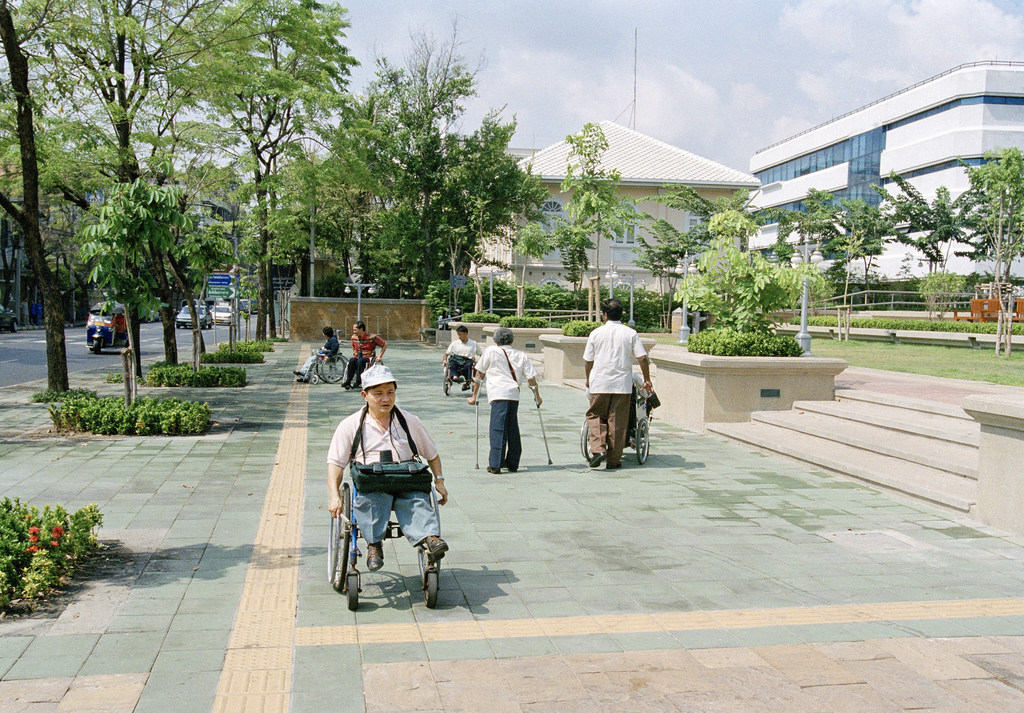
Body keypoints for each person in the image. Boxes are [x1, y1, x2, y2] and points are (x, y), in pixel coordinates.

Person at [327, 364, 449, 572]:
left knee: (417, 501)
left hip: (405, 479)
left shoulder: (409, 421)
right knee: (372, 501)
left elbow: (432, 455)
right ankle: (374, 545)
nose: (386, 399)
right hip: (372, 483)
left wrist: (439, 480)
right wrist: (334, 495)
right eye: (379, 394)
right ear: (365, 395)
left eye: (390, 392)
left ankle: (430, 538)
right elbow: (336, 463)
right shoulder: (350, 425)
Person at [583, 298, 652, 470]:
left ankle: (598, 449)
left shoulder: (596, 333)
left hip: (599, 382)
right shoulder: (631, 333)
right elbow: (643, 358)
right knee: (617, 421)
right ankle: (613, 461)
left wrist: (588, 378)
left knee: (595, 415)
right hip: (622, 385)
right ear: (621, 314)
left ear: (604, 315)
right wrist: (647, 379)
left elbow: (588, 361)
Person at [467, 326, 541, 474]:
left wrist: (474, 395)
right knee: (512, 428)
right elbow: (531, 378)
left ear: (496, 340)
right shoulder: (521, 355)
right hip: (513, 395)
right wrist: (537, 396)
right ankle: (513, 463)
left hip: (498, 393)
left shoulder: (491, 351)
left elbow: (479, 374)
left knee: (497, 428)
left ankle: (496, 464)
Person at [341, 321, 387, 390]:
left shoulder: (372, 337)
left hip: (368, 357)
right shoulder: (354, 337)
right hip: (358, 356)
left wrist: (380, 356)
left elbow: (384, 344)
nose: (354, 332)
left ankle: (358, 381)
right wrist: (354, 352)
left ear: (361, 329)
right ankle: (348, 382)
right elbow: (353, 346)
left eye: (355, 330)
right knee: (352, 360)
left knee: (360, 361)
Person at [443, 325, 481, 390]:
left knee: (470, 365)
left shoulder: (473, 343)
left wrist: (480, 364)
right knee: (452, 363)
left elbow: (481, 354)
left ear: (465, 334)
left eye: (460, 335)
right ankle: (455, 377)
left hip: (467, 360)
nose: (459, 336)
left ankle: (468, 382)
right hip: (456, 359)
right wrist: (444, 360)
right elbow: (446, 354)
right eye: (458, 335)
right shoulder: (455, 343)